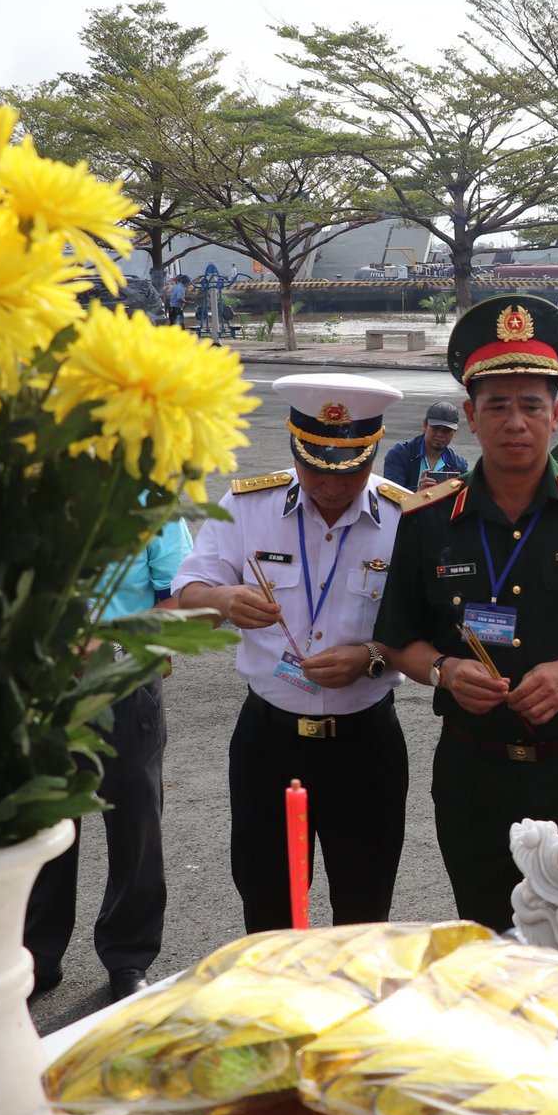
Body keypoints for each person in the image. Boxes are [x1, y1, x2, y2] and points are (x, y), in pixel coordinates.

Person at [371, 295, 558, 929]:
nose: (516, 422)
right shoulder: (429, 522)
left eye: (532, 406)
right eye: (498, 406)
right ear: (470, 418)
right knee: (486, 940)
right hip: (475, 774)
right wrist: (446, 673)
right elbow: (399, 640)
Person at [174, 374, 416, 933]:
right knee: (269, 906)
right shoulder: (247, 505)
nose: (332, 489)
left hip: (366, 743)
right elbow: (187, 595)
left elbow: (429, 631)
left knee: (364, 907)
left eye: (351, 472)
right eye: (316, 471)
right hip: (271, 741)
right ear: (294, 449)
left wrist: (372, 656)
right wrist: (224, 597)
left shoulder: (408, 517)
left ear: (372, 454)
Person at [26, 512, 193, 1001]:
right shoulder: (32, 488)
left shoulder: (152, 501)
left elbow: (180, 599)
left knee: (134, 823)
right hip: (42, 687)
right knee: (45, 822)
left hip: (124, 684)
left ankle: (128, 956)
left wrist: (113, 643)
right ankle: (36, 955)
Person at [382, 401, 469, 491]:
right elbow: (391, 496)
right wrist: (418, 492)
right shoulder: (399, 454)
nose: (440, 434)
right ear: (425, 425)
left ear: (455, 432)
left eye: (446, 430)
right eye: (435, 428)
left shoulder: (459, 465)